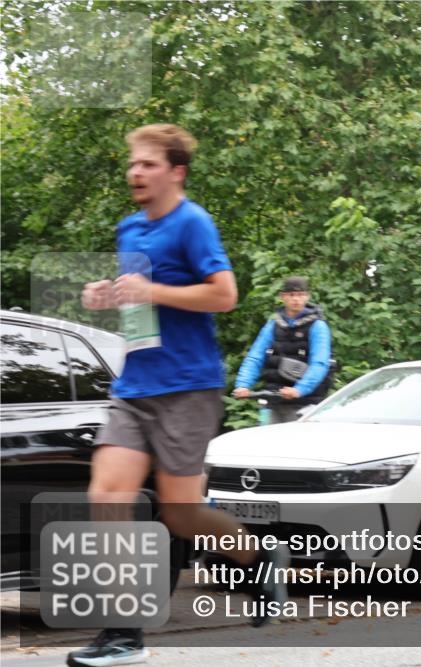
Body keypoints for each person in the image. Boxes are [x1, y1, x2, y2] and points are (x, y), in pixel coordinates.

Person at [70, 124, 288, 667]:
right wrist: (106, 297)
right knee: (107, 497)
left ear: (176, 171)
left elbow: (225, 294)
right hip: (135, 385)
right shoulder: (129, 229)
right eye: (133, 163)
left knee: (182, 515)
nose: (135, 173)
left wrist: (153, 291)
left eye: (147, 164)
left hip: (188, 388)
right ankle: (123, 633)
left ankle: (261, 557)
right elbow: (141, 305)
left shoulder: (193, 223)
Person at [233, 276, 332, 423]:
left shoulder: (317, 326)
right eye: (291, 295)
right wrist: (243, 384)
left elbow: (320, 363)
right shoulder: (273, 325)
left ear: (307, 296)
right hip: (274, 401)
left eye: (301, 295)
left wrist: (299, 390)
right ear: (283, 297)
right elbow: (255, 357)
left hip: (305, 404)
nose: (296, 299)